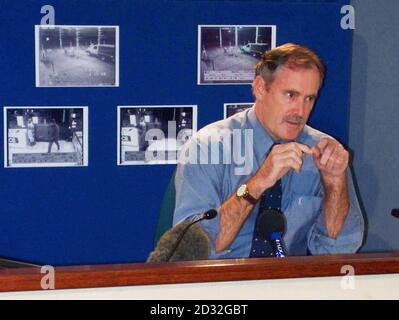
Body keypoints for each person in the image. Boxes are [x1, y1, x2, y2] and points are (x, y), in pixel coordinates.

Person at [173, 43, 364, 259]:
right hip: (219, 286)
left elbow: (338, 250)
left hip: (291, 286)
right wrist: (257, 183)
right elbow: (193, 250)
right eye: (291, 95)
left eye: (309, 98)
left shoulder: (322, 151)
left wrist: (334, 184)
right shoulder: (208, 147)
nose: (300, 111)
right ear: (260, 88)